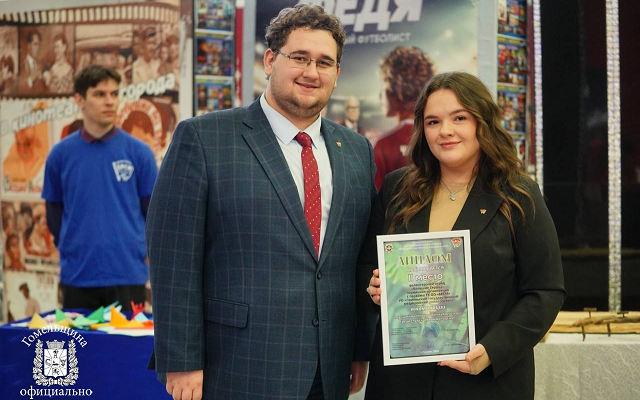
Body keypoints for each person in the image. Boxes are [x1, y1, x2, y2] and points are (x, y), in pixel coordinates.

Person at [147, 4, 375, 400]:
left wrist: (359, 349)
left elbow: (358, 260)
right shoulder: (204, 138)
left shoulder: (356, 150)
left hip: (329, 368)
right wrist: (181, 359)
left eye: (324, 62)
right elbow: (174, 257)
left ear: (337, 74)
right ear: (270, 61)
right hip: (238, 365)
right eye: (299, 58)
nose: (311, 72)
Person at [360, 72, 566, 399]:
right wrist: (372, 288)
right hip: (400, 384)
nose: (445, 131)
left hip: (486, 383)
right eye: (433, 122)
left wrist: (492, 350)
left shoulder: (519, 195)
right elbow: (366, 267)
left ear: (482, 123)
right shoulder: (396, 188)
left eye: (459, 118)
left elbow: (545, 291)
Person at [41, 65, 158, 311]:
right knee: (76, 338)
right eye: (99, 94)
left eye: (114, 94)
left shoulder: (140, 153)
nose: (109, 101)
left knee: (127, 339)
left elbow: (153, 215)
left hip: (128, 276)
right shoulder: (60, 155)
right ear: (79, 100)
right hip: (78, 277)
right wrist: (75, 247)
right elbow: (54, 216)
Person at [373, 46, 434, 190]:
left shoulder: (384, 145)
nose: (381, 95)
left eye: (384, 84)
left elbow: (376, 197)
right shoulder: (438, 136)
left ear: (395, 89)